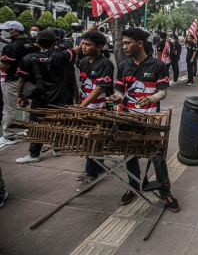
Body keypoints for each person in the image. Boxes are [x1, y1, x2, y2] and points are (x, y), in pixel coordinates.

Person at [105, 28, 180, 213]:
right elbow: (120, 91)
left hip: (150, 120)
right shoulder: (123, 65)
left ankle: (165, 192)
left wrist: (151, 99)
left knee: (156, 155)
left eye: (127, 43)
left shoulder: (157, 65)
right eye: (123, 43)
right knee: (129, 153)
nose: (124, 46)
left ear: (139, 43)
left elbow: (163, 91)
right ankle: (133, 185)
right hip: (128, 118)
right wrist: (116, 98)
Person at [15, 28, 90, 163]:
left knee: (37, 127)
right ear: (54, 43)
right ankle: (57, 148)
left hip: (39, 98)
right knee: (57, 124)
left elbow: (21, 80)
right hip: (59, 97)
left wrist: (20, 96)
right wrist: (87, 34)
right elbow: (77, 49)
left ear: (37, 42)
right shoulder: (61, 56)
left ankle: (34, 154)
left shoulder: (28, 59)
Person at [75, 31, 114, 190]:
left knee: (94, 138)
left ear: (99, 47)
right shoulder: (84, 62)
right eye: (82, 43)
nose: (83, 47)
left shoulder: (105, 63)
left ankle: (91, 173)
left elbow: (99, 89)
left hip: (100, 108)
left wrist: (82, 106)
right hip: (86, 106)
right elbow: (84, 86)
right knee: (90, 138)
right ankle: (97, 165)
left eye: (87, 44)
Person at [0, 21, 38, 146]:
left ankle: (9, 135)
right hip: (28, 81)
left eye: (6, 30)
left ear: (15, 31)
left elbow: (5, 65)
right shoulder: (31, 44)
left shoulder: (11, 47)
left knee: (9, 108)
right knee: (26, 105)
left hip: (12, 80)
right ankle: (29, 130)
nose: (3, 32)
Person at [55, 28, 77, 105]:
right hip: (69, 75)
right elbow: (75, 56)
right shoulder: (68, 44)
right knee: (69, 100)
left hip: (58, 79)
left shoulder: (50, 48)